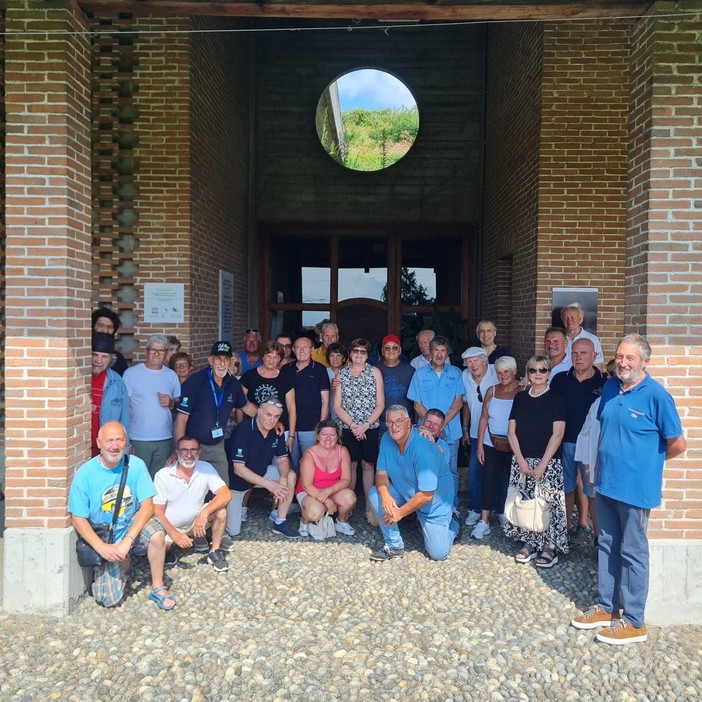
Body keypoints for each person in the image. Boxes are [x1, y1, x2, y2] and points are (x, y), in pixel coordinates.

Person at [571, 334, 686, 645]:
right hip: (605, 483)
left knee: (632, 552)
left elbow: (677, 443)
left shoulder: (657, 396)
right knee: (607, 544)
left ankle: (634, 621)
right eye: (619, 356)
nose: (622, 362)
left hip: (635, 490)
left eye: (629, 358)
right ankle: (607, 607)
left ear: (644, 362)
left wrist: (646, 464)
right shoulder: (610, 387)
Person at [68, 421, 174, 610]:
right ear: (98, 442)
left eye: (119, 440)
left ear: (126, 442)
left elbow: (148, 506)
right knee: (108, 599)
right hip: (106, 538)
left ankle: (158, 586)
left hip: (131, 529)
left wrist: (127, 541)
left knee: (157, 534)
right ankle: (125, 563)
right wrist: (101, 547)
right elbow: (77, 517)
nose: (114, 446)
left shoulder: (136, 465)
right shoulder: (85, 473)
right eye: (109, 440)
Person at [367, 405, 459, 561]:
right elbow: (381, 473)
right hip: (405, 491)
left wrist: (400, 513)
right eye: (390, 422)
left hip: (434, 502)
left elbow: (426, 495)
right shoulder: (386, 439)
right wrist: (386, 496)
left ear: (408, 423)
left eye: (398, 421)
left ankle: (453, 523)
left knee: (438, 554)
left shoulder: (424, 448)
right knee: (375, 493)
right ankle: (394, 545)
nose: (394, 427)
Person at [505, 355, 569, 567]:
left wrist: (542, 464)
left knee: (547, 504)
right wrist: (521, 461)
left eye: (543, 370)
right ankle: (529, 543)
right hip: (522, 461)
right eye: (534, 370)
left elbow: (558, 434)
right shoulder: (520, 398)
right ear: (528, 373)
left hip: (548, 463)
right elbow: (511, 432)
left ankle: (550, 547)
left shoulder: (557, 398)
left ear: (549, 373)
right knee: (526, 503)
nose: (538, 374)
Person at [174, 341, 257, 486]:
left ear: (231, 361)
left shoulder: (233, 384)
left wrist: (271, 418)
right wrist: (181, 450)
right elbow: (181, 419)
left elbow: (247, 407)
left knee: (222, 488)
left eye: (226, 359)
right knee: (192, 489)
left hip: (217, 446)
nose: (222, 363)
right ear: (210, 360)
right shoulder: (195, 381)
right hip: (193, 446)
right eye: (218, 358)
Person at [550, 338, 606, 545]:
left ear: (594, 356)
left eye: (583, 353)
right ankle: (561, 535)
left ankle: (598, 539)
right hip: (564, 442)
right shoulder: (559, 380)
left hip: (591, 447)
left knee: (592, 492)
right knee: (565, 489)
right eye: (574, 353)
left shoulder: (604, 383)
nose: (578, 357)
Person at [153, 435, 232, 572]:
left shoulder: (206, 468)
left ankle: (215, 551)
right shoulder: (163, 475)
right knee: (157, 550)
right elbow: (156, 510)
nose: (189, 454)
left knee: (221, 510)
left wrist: (204, 513)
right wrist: (174, 534)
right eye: (184, 450)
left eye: (193, 450)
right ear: (177, 452)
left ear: (199, 452)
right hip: (169, 527)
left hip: (195, 521)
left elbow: (226, 494)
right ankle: (171, 546)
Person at [226, 399, 300, 539]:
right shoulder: (243, 430)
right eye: (268, 414)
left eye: (276, 416)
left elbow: (283, 459)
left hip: (261, 474)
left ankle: (280, 522)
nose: (271, 420)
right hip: (237, 483)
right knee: (233, 531)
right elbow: (238, 469)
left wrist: (282, 479)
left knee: (290, 476)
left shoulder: (276, 431)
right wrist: (270, 485)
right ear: (259, 412)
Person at [408, 336, 464, 509]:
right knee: (424, 468)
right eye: (436, 350)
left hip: (451, 431)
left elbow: (458, 402)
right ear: (430, 353)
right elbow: (416, 403)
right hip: (425, 432)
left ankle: (451, 506)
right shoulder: (419, 374)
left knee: (451, 470)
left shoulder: (456, 373)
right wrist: (431, 427)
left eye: (443, 350)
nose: (439, 354)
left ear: (447, 353)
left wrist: (441, 425)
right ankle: (424, 506)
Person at [333, 338, 385, 524]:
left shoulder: (375, 372)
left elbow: (380, 404)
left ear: (367, 354)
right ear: (350, 353)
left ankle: (369, 507)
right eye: (355, 351)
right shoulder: (342, 375)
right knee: (352, 466)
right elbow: (337, 406)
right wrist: (354, 425)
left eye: (363, 352)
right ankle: (350, 505)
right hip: (349, 427)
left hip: (369, 428)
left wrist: (365, 425)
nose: (359, 355)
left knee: (368, 465)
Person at [472, 356, 522, 539]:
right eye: (499, 373)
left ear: (514, 371)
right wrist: (479, 445)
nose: (503, 376)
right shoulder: (491, 391)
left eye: (506, 372)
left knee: (510, 481)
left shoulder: (523, 390)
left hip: (515, 444)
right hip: (491, 442)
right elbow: (483, 418)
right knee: (488, 480)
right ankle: (484, 521)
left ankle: (505, 515)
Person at [123, 334, 181, 477]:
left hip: (164, 439)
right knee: (135, 479)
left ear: (166, 353)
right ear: (146, 351)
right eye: (153, 350)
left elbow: (179, 407)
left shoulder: (171, 375)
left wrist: (171, 402)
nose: (156, 353)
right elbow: (124, 407)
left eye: (161, 351)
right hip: (138, 439)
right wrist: (126, 441)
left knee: (159, 482)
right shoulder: (131, 374)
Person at [296, 419, 356, 537]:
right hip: (309, 491)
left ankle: (341, 521)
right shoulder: (309, 454)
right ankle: (304, 521)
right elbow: (306, 485)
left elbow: (346, 479)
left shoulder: (342, 451)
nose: (328, 438)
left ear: (337, 436)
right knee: (315, 512)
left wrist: (329, 490)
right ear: (318, 436)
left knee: (350, 498)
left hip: (331, 489)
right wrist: (327, 501)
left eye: (332, 434)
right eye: (324, 434)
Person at [238, 339, 296, 456]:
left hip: (279, 430)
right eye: (268, 356)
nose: (271, 360)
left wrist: (291, 436)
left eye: (275, 357)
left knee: (280, 463)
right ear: (262, 356)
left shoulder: (285, 378)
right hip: (254, 428)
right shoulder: (249, 376)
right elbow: (239, 402)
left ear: (280, 359)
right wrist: (240, 427)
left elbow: (291, 408)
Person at [460, 346, 498, 524]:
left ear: (484, 360)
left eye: (476, 360)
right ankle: (475, 508)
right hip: (476, 433)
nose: (473, 365)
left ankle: (500, 510)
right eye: (469, 362)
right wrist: (465, 429)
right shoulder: (464, 377)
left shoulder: (496, 372)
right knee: (475, 472)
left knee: (499, 472)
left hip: (498, 433)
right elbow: (466, 404)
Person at [284, 335, 330, 469]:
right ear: (293, 350)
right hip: (289, 426)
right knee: (291, 464)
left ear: (312, 350)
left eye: (305, 348)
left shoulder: (320, 369)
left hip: (311, 426)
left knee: (310, 464)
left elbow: (325, 400)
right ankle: (293, 489)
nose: (301, 351)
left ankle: (306, 489)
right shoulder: (286, 369)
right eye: (298, 348)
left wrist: (321, 427)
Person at [91, 332, 129, 456]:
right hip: (78, 446)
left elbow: (124, 419)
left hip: (106, 449)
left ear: (110, 359)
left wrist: (125, 449)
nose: (98, 360)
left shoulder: (117, 382)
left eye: (104, 356)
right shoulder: (77, 378)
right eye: (94, 355)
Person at [375, 334, 415, 431]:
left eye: (395, 348)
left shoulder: (410, 371)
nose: (391, 351)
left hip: (404, 425)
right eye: (387, 348)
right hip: (381, 425)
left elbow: (416, 401)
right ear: (382, 351)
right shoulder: (374, 370)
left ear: (400, 350)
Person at [560, 302, 604, 366]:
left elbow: (598, 364)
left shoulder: (592, 339)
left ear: (580, 318)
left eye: (572, 317)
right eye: (565, 318)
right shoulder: (558, 339)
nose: (569, 321)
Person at [92, 306, 128, 375]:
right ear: (93, 326)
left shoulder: (119, 359)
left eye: (110, 327)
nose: (105, 331)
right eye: (101, 325)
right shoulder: (82, 353)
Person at [326, 342, 348, 422]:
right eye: (331, 355)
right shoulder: (323, 373)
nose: (335, 359)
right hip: (328, 415)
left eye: (338, 355)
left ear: (344, 358)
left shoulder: (349, 373)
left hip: (345, 416)